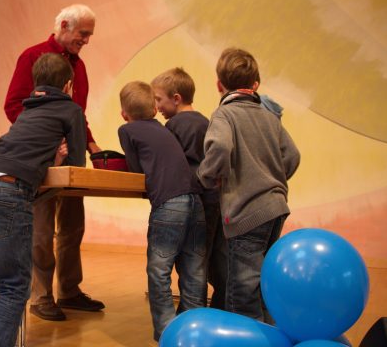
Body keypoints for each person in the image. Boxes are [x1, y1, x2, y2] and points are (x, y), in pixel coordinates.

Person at [0, 53, 86, 346]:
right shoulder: (70, 110)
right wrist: (61, 158)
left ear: (35, 84)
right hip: (7, 191)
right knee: (16, 286)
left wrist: (50, 158)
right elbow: (77, 164)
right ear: (69, 85)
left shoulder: (26, 111)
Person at [4, 4, 104, 321]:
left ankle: (70, 292)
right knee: (42, 230)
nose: (86, 40)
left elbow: (77, 114)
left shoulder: (81, 67)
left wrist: (91, 144)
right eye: (83, 33)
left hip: (73, 158)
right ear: (63, 25)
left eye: (89, 34)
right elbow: (13, 106)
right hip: (41, 159)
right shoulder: (31, 57)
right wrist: (46, 136)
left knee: (73, 227)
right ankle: (41, 295)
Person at [197, 48, 300, 322]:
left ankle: (249, 337)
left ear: (219, 85)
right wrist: (271, 179)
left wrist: (207, 176)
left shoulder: (224, 115)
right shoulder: (269, 117)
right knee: (262, 278)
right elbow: (292, 156)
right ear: (256, 84)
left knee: (241, 287)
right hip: (276, 206)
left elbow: (218, 147)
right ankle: (269, 332)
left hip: (246, 211)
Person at [117, 81, 207, 341]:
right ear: (154, 109)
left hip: (169, 204)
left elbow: (136, 170)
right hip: (195, 200)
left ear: (124, 113)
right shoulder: (164, 129)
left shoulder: (127, 130)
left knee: (159, 270)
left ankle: (168, 333)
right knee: (194, 270)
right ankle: (193, 332)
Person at [151, 67, 227, 309]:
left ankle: (189, 312)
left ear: (176, 98)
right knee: (204, 258)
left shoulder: (174, 126)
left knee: (189, 261)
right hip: (213, 200)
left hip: (191, 200)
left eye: (159, 99)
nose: (157, 106)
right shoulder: (207, 122)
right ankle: (206, 310)